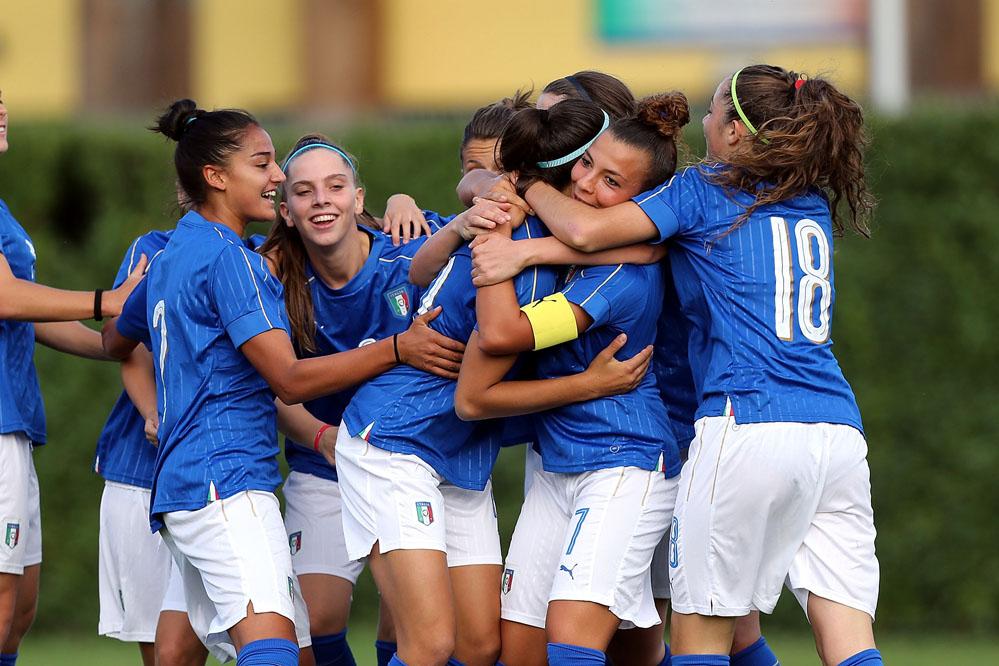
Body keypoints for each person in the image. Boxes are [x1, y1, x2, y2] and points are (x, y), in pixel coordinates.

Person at [511, 65, 880, 666]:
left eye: (713, 114)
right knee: (849, 642)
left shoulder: (706, 187)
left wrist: (523, 183)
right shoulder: (806, 199)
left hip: (747, 420)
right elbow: (644, 246)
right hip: (837, 432)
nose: (703, 123)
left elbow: (583, 229)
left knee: (701, 635)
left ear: (736, 132)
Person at [101, 99, 462, 666]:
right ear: (216, 177)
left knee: (282, 648)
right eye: (264, 164)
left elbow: (116, 340)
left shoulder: (172, 252)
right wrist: (399, 347)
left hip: (185, 484)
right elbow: (290, 380)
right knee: (272, 649)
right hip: (225, 481)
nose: (276, 177)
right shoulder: (234, 261)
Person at [454, 94, 688, 666]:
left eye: (612, 182)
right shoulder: (585, 243)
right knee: (522, 646)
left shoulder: (616, 277)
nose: (586, 185)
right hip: (562, 464)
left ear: (640, 201)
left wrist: (497, 249)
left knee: (572, 638)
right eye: (587, 165)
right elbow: (478, 181)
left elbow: (504, 335)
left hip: (625, 462)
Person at [259, 134, 466, 666]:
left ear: (358, 197)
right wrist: (322, 437)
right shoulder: (273, 282)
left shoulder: (409, 253)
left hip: (409, 461)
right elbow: (275, 388)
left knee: (430, 628)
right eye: (304, 192)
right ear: (286, 211)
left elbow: (478, 216)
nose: (321, 200)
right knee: (316, 623)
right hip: (323, 464)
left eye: (335, 187)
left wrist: (404, 202)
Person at [0, 90, 144, 666]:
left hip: (13, 424)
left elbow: (22, 315)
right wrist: (106, 300)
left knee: (19, 609)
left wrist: (113, 346)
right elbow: (7, 297)